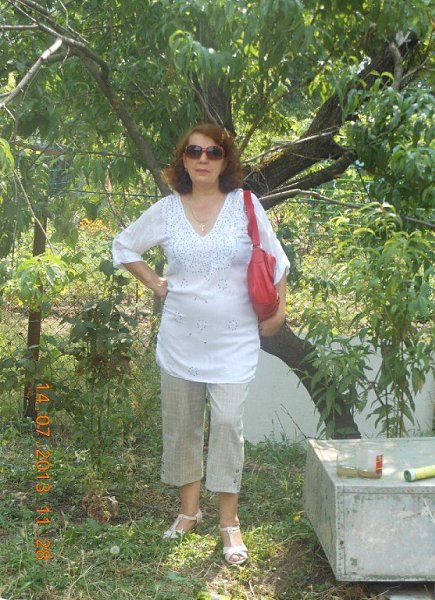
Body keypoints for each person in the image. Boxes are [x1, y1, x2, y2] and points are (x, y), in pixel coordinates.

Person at [112, 123, 289, 565]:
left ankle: (229, 522)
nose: (203, 159)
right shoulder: (168, 210)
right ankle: (188, 512)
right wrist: (157, 284)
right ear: (183, 160)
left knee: (227, 424)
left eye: (213, 152)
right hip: (180, 340)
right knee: (183, 426)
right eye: (194, 151)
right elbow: (125, 245)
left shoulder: (245, 204)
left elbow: (278, 262)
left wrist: (279, 311)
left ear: (225, 160)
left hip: (234, 340)